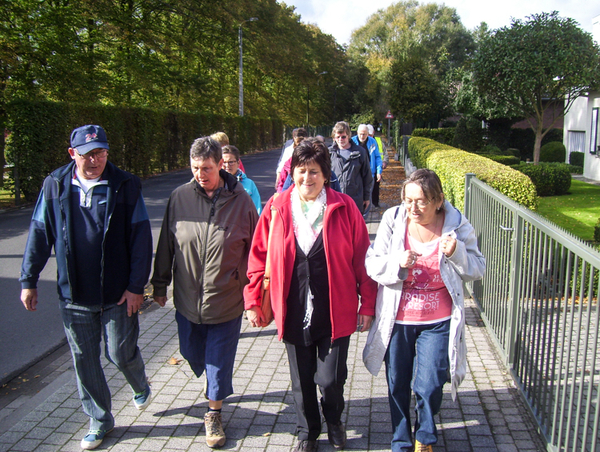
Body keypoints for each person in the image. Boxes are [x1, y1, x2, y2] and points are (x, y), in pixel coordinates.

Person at [20, 125, 153, 450]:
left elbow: (141, 237)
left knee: (120, 353)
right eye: (87, 154)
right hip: (74, 295)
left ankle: (140, 383)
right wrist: (29, 279)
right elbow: (40, 232)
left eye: (100, 152)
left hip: (118, 293)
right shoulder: (54, 185)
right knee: (85, 360)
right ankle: (100, 420)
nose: (94, 160)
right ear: (72, 154)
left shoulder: (125, 184)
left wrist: (137, 286)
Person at [244, 138, 377, 452]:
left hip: (336, 309)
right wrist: (252, 300)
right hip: (291, 307)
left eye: (314, 171)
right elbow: (258, 256)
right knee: (302, 380)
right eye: (301, 171)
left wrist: (367, 304)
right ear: (293, 172)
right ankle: (308, 433)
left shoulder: (344, 209)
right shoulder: (276, 207)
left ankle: (334, 420)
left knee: (330, 380)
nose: (307, 178)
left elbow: (363, 261)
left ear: (325, 174)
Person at [363, 169, 486, 452]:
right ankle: (401, 441)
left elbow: (478, 268)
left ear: (439, 200)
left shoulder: (456, 226)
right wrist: (398, 262)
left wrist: (456, 252)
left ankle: (425, 436)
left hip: (438, 320)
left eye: (422, 201)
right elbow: (372, 264)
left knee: (430, 384)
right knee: (397, 384)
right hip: (398, 319)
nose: (413, 208)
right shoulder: (393, 221)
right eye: (408, 200)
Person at [151, 136, 258, 448]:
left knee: (217, 361)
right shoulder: (179, 197)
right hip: (186, 300)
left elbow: (256, 251)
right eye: (196, 167)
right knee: (192, 353)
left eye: (207, 167)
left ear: (220, 166)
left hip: (227, 298)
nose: (201, 173)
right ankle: (209, 383)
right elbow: (166, 246)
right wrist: (160, 285)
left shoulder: (241, 202)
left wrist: (255, 296)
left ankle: (213, 412)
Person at [329, 121, 373, 214]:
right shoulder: (329, 153)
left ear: (348, 136)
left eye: (343, 136)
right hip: (335, 199)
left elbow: (367, 176)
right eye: (338, 137)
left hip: (355, 199)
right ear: (334, 138)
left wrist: (366, 197)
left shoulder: (360, 152)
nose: (341, 139)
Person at [222, 144, 262, 214]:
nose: (227, 165)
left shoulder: (249, 184)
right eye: (224, 162)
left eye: (231, 162)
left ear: (238, 163)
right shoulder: (215, 184)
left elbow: (257, 209)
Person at [352, 124, 382, 210]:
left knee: (367, 197)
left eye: (364, 134)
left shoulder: (372, 142)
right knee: (357, 196)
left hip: (370, 173)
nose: (362, 136)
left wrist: (379, 171)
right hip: (356, 174)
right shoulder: (352, 142)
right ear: (357, 133)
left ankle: (365, 217)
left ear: (368, 133)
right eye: (360, 134)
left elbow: (377, 157)